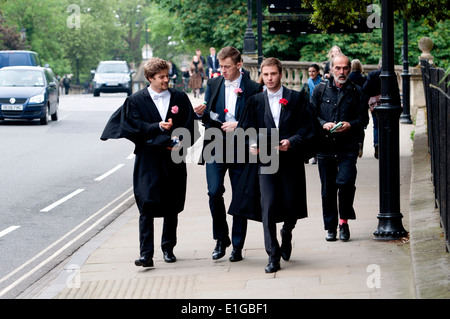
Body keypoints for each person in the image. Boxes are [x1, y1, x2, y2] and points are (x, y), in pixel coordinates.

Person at [100, 57, 196, 268]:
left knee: (172, 204)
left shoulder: (179, 97)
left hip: (174, 156)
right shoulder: (136, 101)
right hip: (148, 159)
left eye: (167, 75)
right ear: (150, 78)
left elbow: (190, 126)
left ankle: (168, 249)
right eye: (161, 77)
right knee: (146, 205)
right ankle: (146, 254)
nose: (166, 80)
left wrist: (181, 142)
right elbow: (135, 127)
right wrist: (158, 127)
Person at [237, 57, 318, 273]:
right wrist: (252, 145)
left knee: (291, 204)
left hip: (290, 159)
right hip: (266, 161)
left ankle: (287, 231)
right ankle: (272, 254)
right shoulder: (254, 101)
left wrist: (291, 142)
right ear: (261, 76)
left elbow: (308, 129)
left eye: (273, 74)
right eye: (266, 74)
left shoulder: (297, 99)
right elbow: (244, 132)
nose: (270, 78)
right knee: (269, 205)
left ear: (280, 74)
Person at [193, 46, 262, 262]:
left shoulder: (253, 88)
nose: (222, 70)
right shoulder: (213, 84)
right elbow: (207, 116)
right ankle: (221, 239)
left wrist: (238, 125)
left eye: (227, 67)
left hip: (242, 147)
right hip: (215, 145)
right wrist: (201, 114)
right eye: (221, 66)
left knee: (240, 197)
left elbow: (260, 119)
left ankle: (238, 246)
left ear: (239, 65)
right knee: (214, 192)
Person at [310, 53, 369, 242]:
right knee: (327, 189)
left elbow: (364, 119)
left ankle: (344, 221)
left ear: (350, 70)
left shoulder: (357, 91)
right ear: (330, 70)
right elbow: (310, 117)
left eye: (345, 68)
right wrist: (323, 124)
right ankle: (331, 227)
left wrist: (350, 124)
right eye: (338, 68)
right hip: (325, 146)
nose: (341, 72)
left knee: (345, 183)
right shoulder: (319, 90)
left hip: (347, 146)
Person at [300, 63, 322, 164]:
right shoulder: (306, 84)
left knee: (317, 134)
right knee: (308, 133)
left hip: (320, 111)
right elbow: (300, 98)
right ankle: (307, 154)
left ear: (318, 72)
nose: (311, 73)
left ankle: (316, 155)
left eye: (313, 71)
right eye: (309, 71)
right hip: (309, 112)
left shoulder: (322, 83)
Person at [363, 58, 382, 159]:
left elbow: (365, 88)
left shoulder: (373, 74)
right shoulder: (391, 74)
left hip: (375, 104)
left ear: (378, 66)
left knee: (376, 125)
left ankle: (376, 143)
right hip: (387, 104)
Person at [349, 59, 367, 158]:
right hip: (361, 103)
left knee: (353, 124)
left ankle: (355, 143)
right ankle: (360, 143)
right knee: (360, 125)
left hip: (351, 104)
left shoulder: (349, 78)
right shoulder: (363, 78)